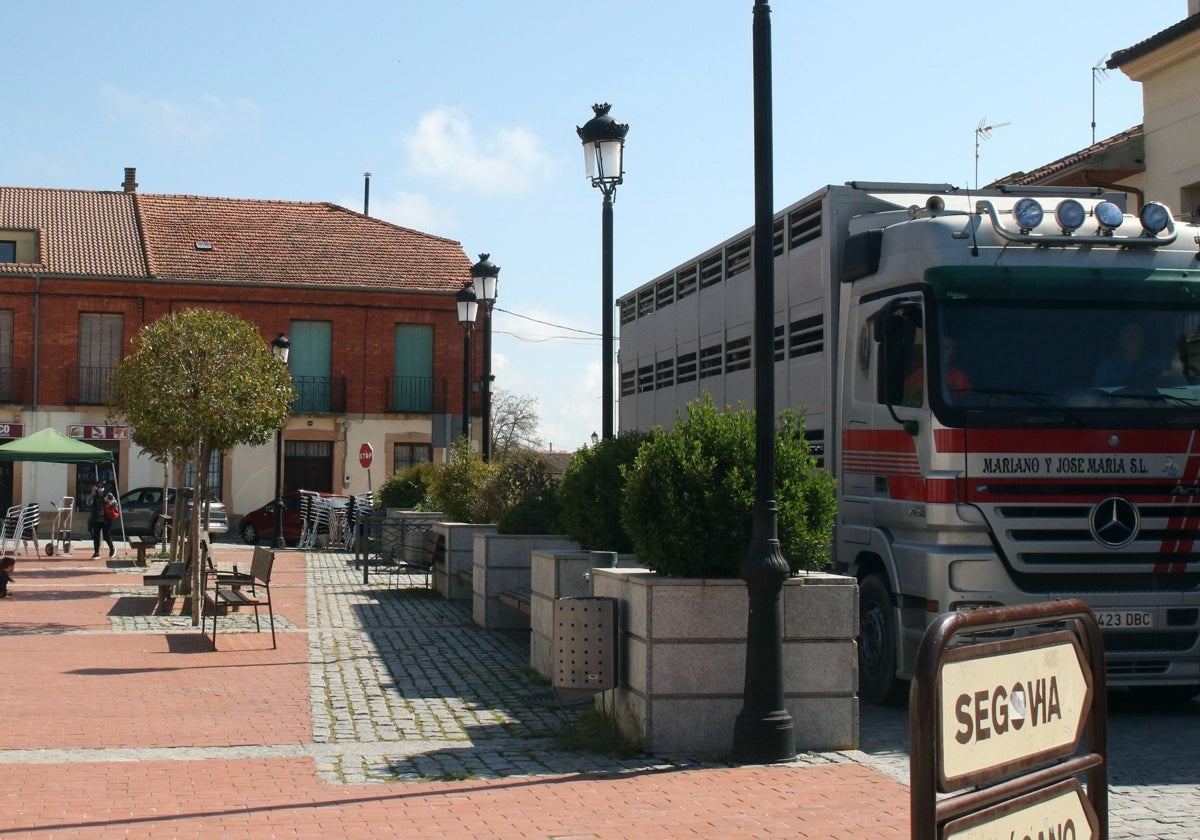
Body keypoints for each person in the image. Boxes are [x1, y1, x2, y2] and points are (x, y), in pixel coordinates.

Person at [1094, 322, 1171, 387]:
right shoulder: (1107, 367)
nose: (1134, 339)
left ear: (1144, 341)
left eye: (1138, 333)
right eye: (1129, 335)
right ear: (1120, 341)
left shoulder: (1158, 364)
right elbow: (1100, 395)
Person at [87, 480, 116, 559]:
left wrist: (109, 501)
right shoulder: (94, 494)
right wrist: (92, 493)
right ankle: (96, 552)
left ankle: (112, 548)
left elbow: (115, 504)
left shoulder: (108, 494)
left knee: (106, 535)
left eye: (102, 487)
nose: (100, 488)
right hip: (96, 519)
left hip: (106, 519)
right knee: (96, 536)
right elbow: (88, 502)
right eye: (98, 486)